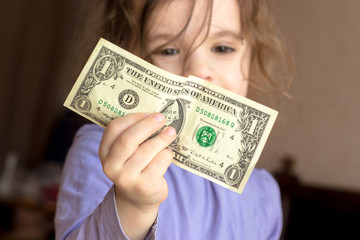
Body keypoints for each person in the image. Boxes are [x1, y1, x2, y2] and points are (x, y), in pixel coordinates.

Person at [55, 0, 292, 239]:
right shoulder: (101, 152)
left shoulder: (264, 193)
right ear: (128, 56)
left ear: (252, 57)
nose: (198, 70)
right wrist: (132, 207)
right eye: (168, 50)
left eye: (222, 48)